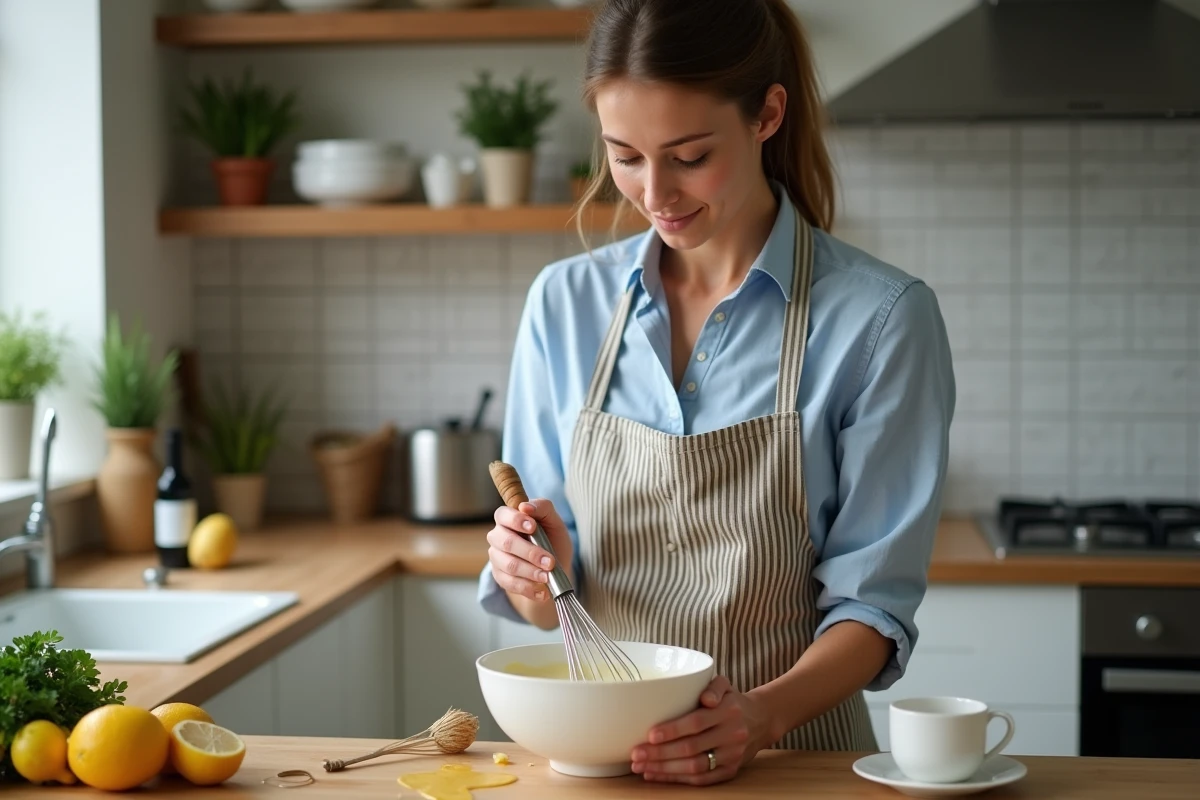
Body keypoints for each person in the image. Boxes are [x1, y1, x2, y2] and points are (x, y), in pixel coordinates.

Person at [477, 0, 956, 785]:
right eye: (624, 156)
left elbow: (874, 613)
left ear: (768, 114)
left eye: (690, 156)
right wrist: (534, 577)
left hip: (797, 762)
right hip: (606, 763)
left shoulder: (882, 318)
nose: (654, 192)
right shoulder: (564, 305)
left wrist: (758, 717)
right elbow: (547, 612)